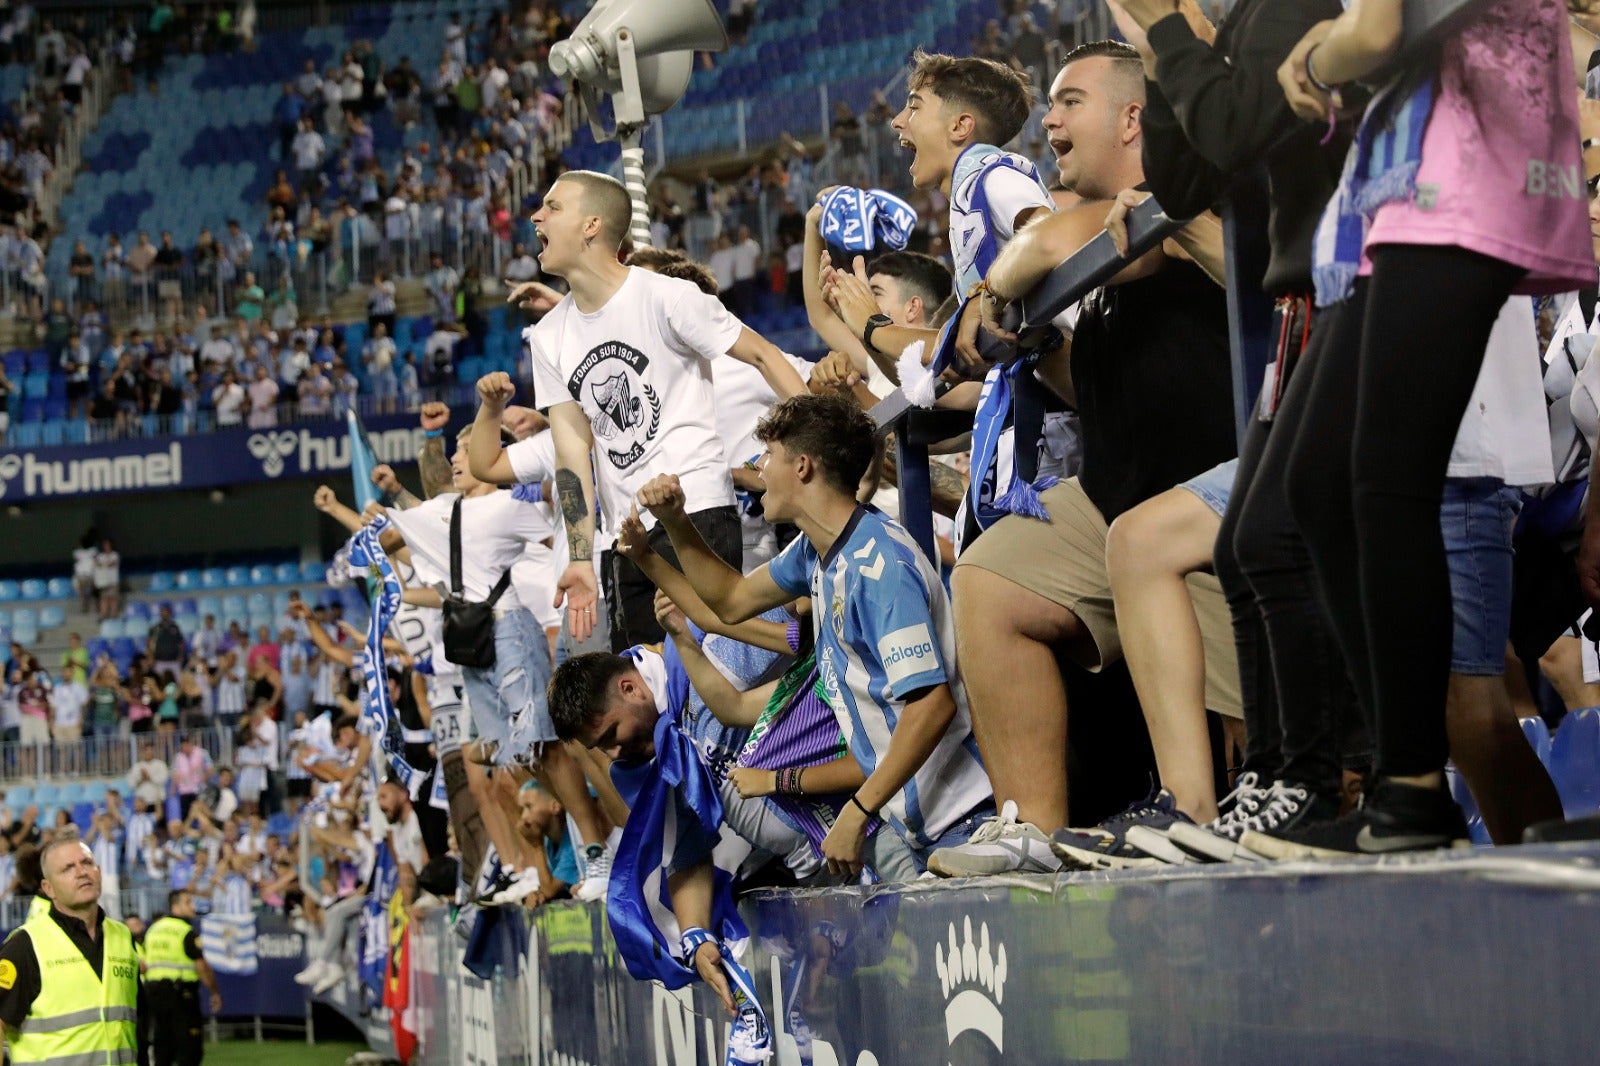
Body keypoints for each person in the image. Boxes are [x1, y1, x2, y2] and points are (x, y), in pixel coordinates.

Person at [634, 394, 993, 881]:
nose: (758, 469)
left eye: (768, 456)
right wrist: (676, 521)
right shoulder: (814, 552)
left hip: (958, 819)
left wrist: (858, 810)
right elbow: (731, 600)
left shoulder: (878, 566)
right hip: (912, 823)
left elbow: (932, 705)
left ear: (802, 466)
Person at [479, 170, 809, 654]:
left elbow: (762, 355)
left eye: (552, 206)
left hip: (695, 511)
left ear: (592, 225)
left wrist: (816, 434)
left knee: (709, 677)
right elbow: (571, 455)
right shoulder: (550, 336)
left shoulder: (666, 296)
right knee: (654, 692)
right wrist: (577, 557)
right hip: (626, 539)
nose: (535, 216)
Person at [0, 838, 139, 1066]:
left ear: (99, 872)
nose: (81, 872)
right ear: (48, 888)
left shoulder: (123, 938)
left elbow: (131, 1024)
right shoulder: (25, 945)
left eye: (86, 862)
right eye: (68, 868)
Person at [142, 889, 222, 1066]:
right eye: (188, 902)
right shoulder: (186, 932)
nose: (192, 906)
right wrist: (215, 992)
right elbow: (201, 966)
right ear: (175, 906)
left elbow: (146, 963)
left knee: (162, 1048)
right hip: (181, 996)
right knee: (190, 1050)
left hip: (154, 994)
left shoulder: (153, 929)